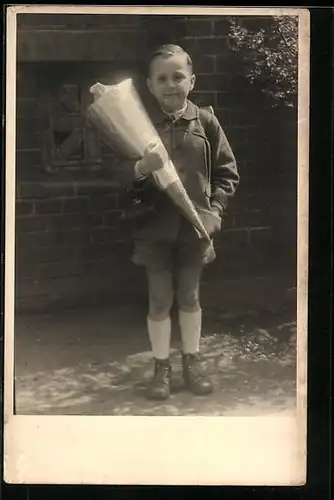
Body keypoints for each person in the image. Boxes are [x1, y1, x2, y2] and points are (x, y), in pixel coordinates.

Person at [120, 44, 240, 400]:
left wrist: (216, 210)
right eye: (162, 78)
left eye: (178, 76)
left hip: (194, 229)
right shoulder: (139, 128)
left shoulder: (205, 122)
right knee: (159, 300)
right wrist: (142, 168)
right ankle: (161, 368)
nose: (170, 84)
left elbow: (227, 172)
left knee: (189, 296)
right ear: (150, 84)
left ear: (192, 81)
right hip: (154, 229)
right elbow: (119, 176)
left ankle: (192, 361)